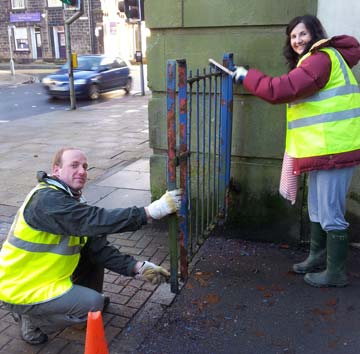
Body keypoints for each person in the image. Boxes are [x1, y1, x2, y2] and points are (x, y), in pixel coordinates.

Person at [0, 147, 182, 345]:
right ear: (56, 170)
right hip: (18, 288)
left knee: (91, 257)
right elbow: (94, 219)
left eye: (85, 166)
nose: (82, 171)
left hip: (40, 278)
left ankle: (53, 307)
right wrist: (149, 212)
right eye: (74, 165)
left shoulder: (69, 199)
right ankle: (32, 319)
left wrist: (137, 267)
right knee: (94, 305)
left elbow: (97, 248)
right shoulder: (46, 200)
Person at [233, 14, 360, 288]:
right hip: (325, 149)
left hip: (334, 150)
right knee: (316, 208)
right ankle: (318, 257)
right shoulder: (317, 60)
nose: (297, 40)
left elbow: (281, 90)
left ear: (315, 33)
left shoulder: (321, 58)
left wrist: (247, 76)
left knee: (330, 212)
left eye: (302, 34)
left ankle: (335, 272)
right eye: (292, 36)